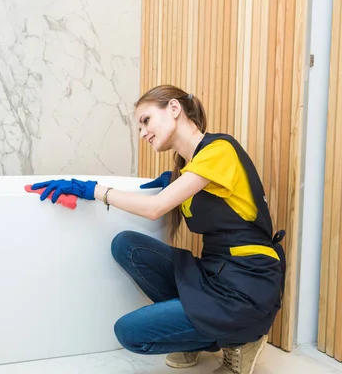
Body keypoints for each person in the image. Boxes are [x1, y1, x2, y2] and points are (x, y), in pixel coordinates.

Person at [30, 84, 286, 374]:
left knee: (129, 332)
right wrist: (176, 182)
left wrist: (93, 190)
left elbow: (155, 209)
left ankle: (243, 338)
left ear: (174, 109)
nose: (143, 134)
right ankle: (197, 337)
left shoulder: (220, 150)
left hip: (246, 285)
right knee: (127, 244)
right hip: (215, 274)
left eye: (146, 121)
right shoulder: (192, 168)